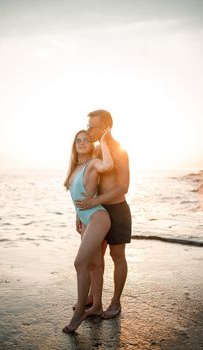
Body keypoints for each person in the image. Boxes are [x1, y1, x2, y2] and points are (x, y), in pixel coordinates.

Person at [74, 109, 132, 319]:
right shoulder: (95, 151)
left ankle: (115, 303)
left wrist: (94, 202)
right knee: (95, 257)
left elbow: (123, 187)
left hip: (117, 210)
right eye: (87, 125)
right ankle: (92, 298)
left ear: (106, 127)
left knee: (117, 256)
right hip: (96, 211)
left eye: (92, 126)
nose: (88, 130)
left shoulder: (120, 151)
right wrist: (81, 212)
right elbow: (88, 183)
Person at [63, 128, 113, 333]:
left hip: (98, 218)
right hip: (85, 219)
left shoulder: (92, 163)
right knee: (93, 265)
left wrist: (104, 141)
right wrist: (78, 216)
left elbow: (108, 165)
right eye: (78, 141)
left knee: (79, 263)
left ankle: (79, 315)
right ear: (74, 146)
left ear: (91, 145)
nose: (82, 143)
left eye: (86, 140)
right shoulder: (75, 167)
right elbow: (78, 197)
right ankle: (97, 306)